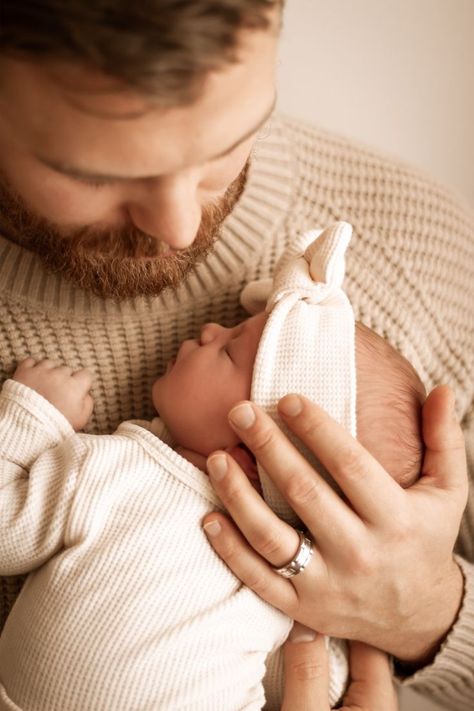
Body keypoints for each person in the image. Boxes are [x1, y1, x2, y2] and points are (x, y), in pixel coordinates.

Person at [0, 1, 472, 709]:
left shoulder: (424, 247)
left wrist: (430, 610)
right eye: (94, 172)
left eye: (227, 144)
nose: (180, 228)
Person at [0, 222, 415, 710]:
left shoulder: (120, 472)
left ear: (251, 455)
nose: (210, 329)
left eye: (228, 350)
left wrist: (33, 415)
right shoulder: (286, 585)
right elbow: (316, 683)